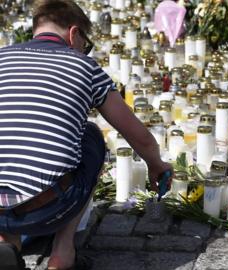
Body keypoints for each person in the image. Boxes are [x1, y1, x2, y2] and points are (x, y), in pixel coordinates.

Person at [0, 0, 172, 269]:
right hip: (48, 206)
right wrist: (156, 165)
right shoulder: (84, 66)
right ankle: (62, 253)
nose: (84, 51)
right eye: (85, 44)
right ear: (74, 33)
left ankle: (7, 245)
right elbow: (137, 135)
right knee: (91, 137)